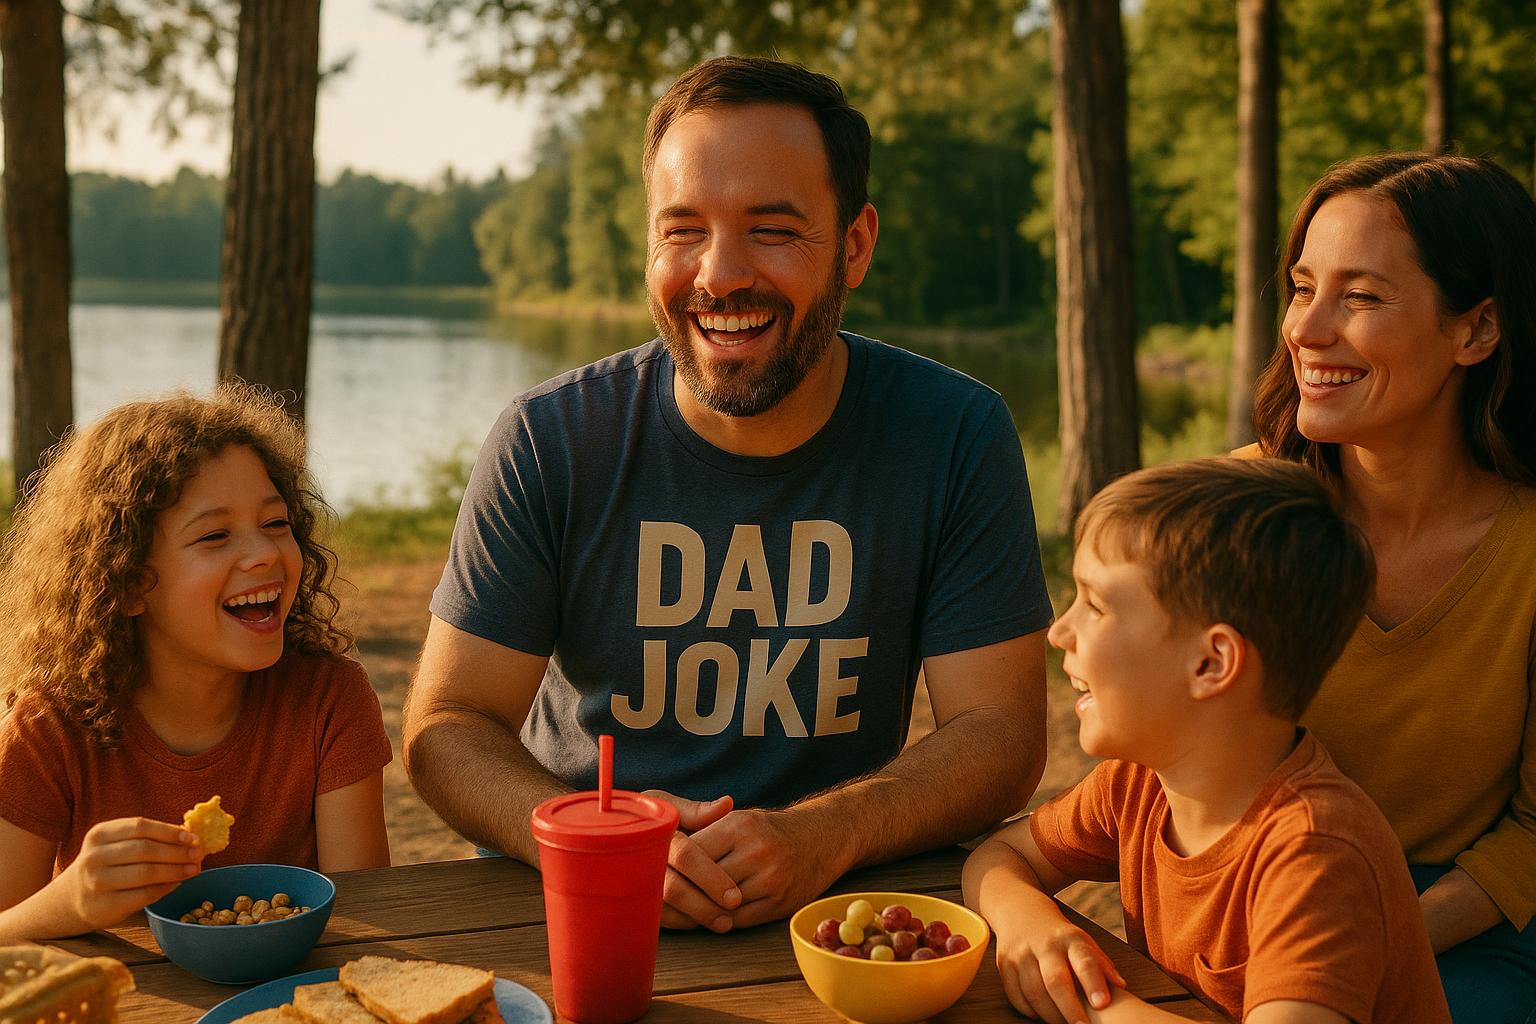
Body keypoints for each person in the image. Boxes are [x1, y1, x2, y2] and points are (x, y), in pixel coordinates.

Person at [405, 55, 1051, 933]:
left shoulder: (953, 435)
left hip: (839, 917)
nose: (718, 274)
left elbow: (1001, 732)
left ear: (855, 245)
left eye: (773, 229)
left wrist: (827, 832)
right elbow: (447, 725)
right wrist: (595, 839)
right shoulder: (550, 439)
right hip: (570, 903)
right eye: (682, 230)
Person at [963, 459, 1449, 1024]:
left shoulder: (1316, 854)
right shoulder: (1140, 781)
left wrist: (1092, 1006)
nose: (1059, 631)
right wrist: (1034, 928)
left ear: (1210, 663)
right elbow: (998, 857)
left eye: (1094, 605)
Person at [1242, 152, 1536, 1024]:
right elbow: (1134, 778)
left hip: (1464, 937)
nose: (1308, 329)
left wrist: (1358, 939)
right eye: (1302, 288)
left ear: (1475, 330)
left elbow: (1534, 836)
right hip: (1245, 917)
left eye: (1362, 298)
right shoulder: (1224, 520)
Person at [0, 388, 393, 942]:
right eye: (215, 535)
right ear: (129, 580)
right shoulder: (47, 733)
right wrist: (69, 903)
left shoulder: (329, 697)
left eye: (276, 523)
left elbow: (369, 916)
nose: (263, 553)